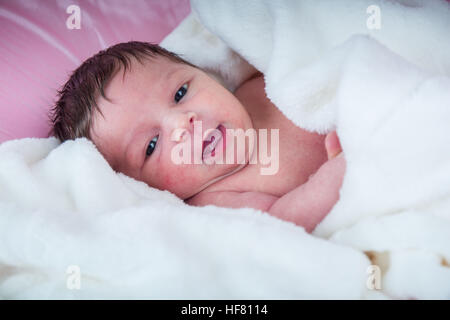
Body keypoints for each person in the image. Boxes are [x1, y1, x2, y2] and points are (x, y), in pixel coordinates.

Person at [49, 41, 345, 233]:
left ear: (203, 74)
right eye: (151, 146)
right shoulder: (215, 200)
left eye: (180, 93)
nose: (182, 124)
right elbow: (286, 221)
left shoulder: (260, 83)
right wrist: (338, 171)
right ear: (142, 186)